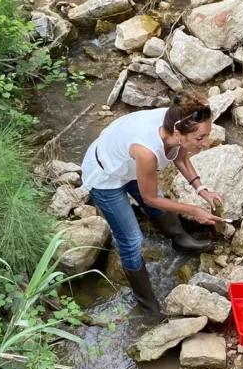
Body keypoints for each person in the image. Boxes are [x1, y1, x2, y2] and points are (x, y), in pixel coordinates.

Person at [81, 94, 224, 312]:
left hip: (128, 162)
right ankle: (147, 304)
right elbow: (150, 198)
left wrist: (202, 189)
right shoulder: (147, 151)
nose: (205, 143)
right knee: (131, 240)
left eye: (207, 136)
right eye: (200, 138)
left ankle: (180, 240)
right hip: (106, 175)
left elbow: (181, 157)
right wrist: (194, 210)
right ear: (178, 134)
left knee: (156, 198)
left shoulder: (179, 121)